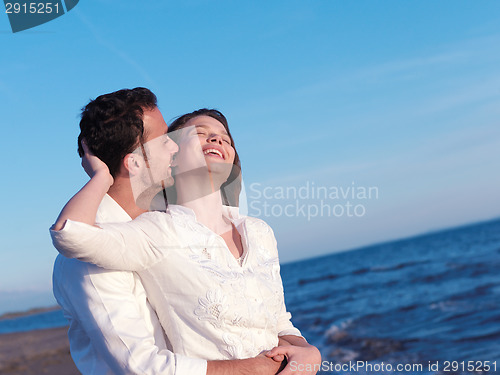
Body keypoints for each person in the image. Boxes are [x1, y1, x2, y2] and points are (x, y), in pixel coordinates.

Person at [51, 108, 321, 374]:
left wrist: (308, 350)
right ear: (172, 157)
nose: (217, 140)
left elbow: (278, 321)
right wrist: (102, 176)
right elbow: (71, 234)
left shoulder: (259, 232)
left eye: (225, 139)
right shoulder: (159, 231)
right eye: (200, 134)